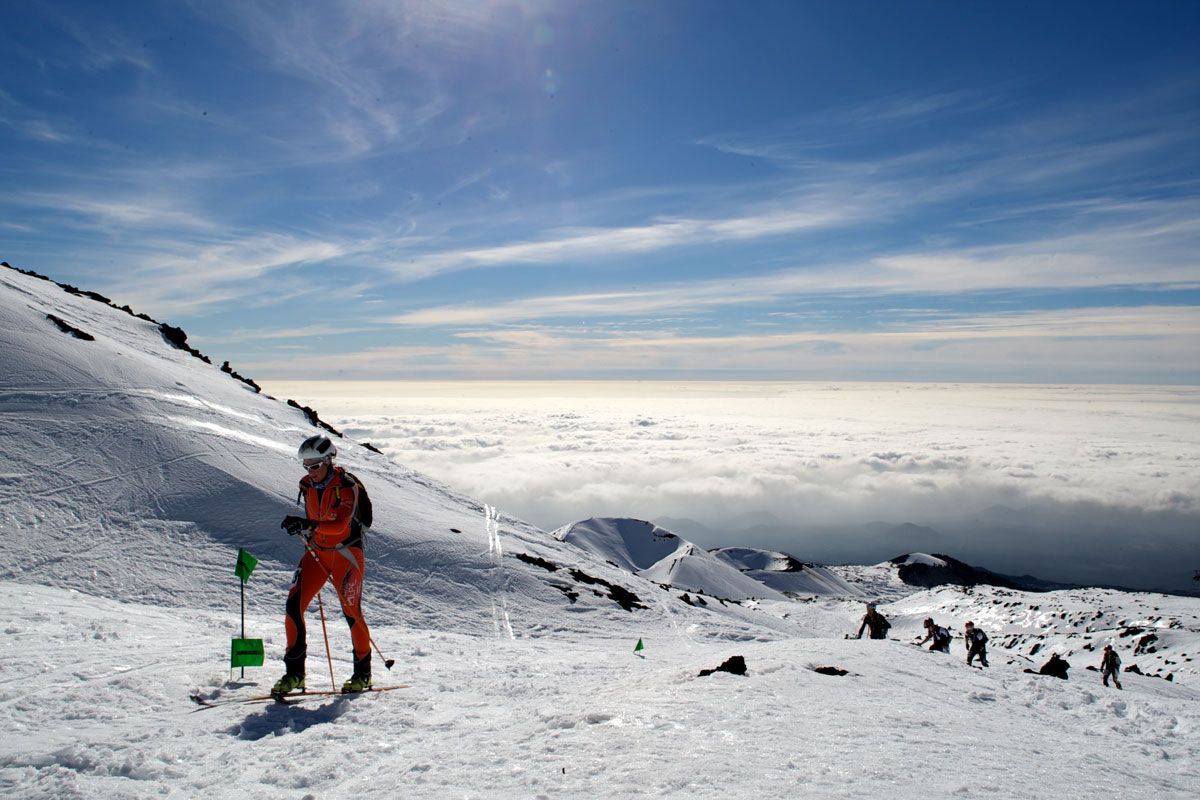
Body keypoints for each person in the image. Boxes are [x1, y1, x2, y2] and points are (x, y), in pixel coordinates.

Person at [274, 435, 373, 696]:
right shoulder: (306, 485)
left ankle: (363, 673)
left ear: (329, 461)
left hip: (346, 555)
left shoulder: (346, 486)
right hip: (317, 552)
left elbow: (341, 524)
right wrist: (303, 527)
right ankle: (295, 674)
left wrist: (308, 525)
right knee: (293, 607)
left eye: (315, 465)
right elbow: (314, 519)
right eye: (306, 466)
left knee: (351, 611)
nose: (311, 471)